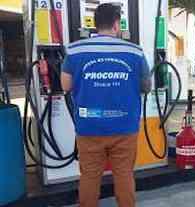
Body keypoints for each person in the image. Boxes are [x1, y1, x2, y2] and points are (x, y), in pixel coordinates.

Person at [61, 3, 151, 207]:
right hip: (125, 126)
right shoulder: (135, 51)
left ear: (94, 24)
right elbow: (146, 86)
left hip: (89, 125)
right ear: (117, 24)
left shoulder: (75, 50)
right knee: (124, 175)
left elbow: (65, 85)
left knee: (90, 176)